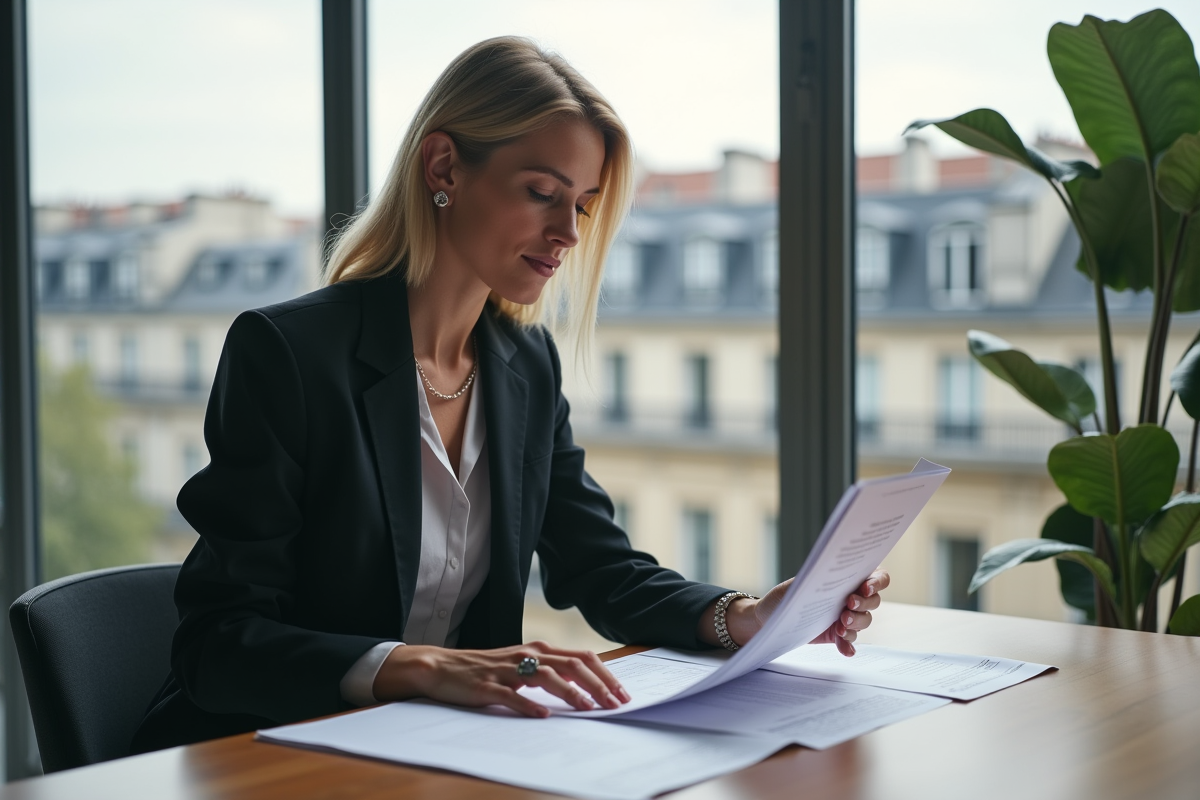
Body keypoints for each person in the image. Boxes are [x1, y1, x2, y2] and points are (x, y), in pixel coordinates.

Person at [131, 36, 889, 754]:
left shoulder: (524, 365)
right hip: (263, 753)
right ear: (443, 167)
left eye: (583, 205)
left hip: (431, 755)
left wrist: (744, 616)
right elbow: (220, 642)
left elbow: (600, 569)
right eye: (541, 193)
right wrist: (420, 666)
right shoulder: (289, 353)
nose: (567, 232)